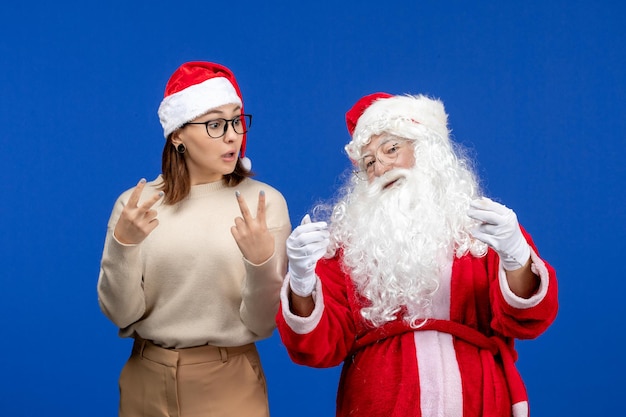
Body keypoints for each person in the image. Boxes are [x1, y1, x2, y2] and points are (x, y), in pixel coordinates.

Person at [276, 92, 558, 417]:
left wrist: (516, 257)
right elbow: (318, 349)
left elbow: (529, 323)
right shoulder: (347, 248)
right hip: (379, 401)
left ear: (428, 150)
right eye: (369, 162)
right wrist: (301, 282)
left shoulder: (486, 227)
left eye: (391, 149)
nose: (380, 166)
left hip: (478, 398)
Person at [97, 61, 291, 417]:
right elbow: (121, 313)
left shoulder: (263, 203)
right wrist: (123, 247)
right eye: (215, 124)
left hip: (227, 381)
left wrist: (262, 264)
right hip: (145, 377)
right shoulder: (135, 205)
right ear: (177, 134)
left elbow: (263, 323)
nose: (233, 135)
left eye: (236, 120)